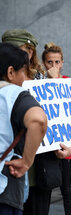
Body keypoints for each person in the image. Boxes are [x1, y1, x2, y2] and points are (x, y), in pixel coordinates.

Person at [0, 42, 47, 215]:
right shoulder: (13, 93)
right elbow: (38, 120)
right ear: (11, 72)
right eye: (25, 72)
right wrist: (27, 161)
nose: (26, 79)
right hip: (5, 182)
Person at [41, 42, 71, 215]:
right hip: (45, 142)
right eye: (49, 62)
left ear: (62, 63)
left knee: (66, 188)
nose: (53, 66)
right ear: (43, 63)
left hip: (66, 142)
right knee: (46, 185)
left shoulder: (70, 82)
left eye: (57, 62)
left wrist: (55, 80)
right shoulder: (38, 84)